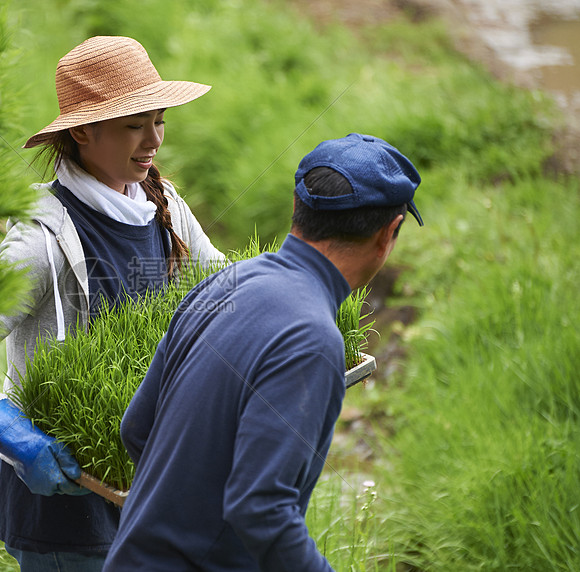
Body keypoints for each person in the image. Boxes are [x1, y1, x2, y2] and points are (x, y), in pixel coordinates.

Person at [102, 133, 424, 571]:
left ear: (296, 207)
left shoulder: (221, 285)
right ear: (390, 234)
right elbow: (261, 508)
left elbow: (136, 429)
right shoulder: (313, 339)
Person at [0, 35, 225, 572]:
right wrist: (14, 439)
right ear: (83, 131)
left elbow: (222, 286)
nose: (153, 139)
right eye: (134, 125)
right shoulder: (40, 238)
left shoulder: (162, 205)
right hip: (65, 507)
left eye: (159, 120)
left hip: (147, 489)